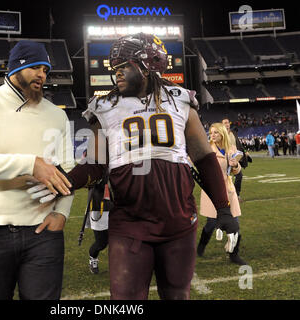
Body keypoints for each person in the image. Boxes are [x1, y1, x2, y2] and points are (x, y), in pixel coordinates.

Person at [29, 33, 239, 300]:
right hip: (129, 223)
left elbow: (203, 157)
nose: (115, 74)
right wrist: (65, 182)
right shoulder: (104, 107)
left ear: (148, 64)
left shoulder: (180, 99)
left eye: (122, 67)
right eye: (114, 69)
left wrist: (222, 207)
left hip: (179, 222)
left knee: (177, 295)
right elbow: (95, 164)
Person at [0, 40, 75, 300]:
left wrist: (62, 213)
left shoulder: (56, 115)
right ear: (16, 68)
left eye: (46, 70)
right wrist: (31, 164)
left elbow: (68, 171)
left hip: (44, 233)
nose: (42, 75)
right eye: (36, 67)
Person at [196, 123, 247, 265]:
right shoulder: (207, 149)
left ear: (222, 134)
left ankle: (234, 254)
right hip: (212, 191)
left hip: (228, 189)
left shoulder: (231, 149)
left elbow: (236, 171)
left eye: (215, 133)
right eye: (211, 133)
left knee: (235, 223)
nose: (212, 135)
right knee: (211, 223)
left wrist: (235, 165)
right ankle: (201, 246)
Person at [85, 179, 111, 274]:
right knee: (101, 242)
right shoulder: (95, 165)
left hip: (118, 206)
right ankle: (93, 258)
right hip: (99, 206)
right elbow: (86, 180)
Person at [221, 118, 248, 201]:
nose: (227, 124)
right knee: (225, 179)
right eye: (225, 123)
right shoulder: (221, 135)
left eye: (228, 122)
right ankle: (224, 197)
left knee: (239, 176)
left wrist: (244, 152)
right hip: (225, 159)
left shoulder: (233, 133)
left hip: (235, 159)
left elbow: (238, 144)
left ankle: (236, 195)